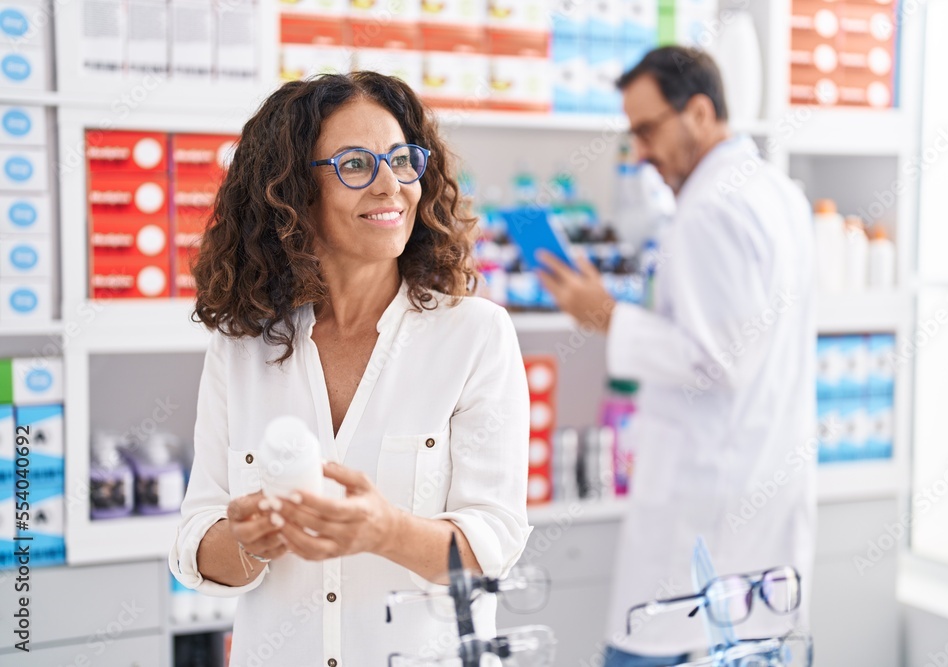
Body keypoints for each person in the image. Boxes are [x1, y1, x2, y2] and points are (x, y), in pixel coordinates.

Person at [169, 72, 532, 666]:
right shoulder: (243, 347)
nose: (391, 186)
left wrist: (385, 531)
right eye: (356, 165)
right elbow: (196, 545)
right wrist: (247, 540)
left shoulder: (474, 336)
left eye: (402, 161)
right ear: (291, 192)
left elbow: (493, 544)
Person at [537, 47, 816, 665]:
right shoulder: (777, 192)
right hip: (763, 485)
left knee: (651, 647)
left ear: (699, 113)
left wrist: (605, 315)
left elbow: (718, 361)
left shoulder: (708, 209)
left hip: (706, 503)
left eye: (647, 130)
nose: (640, 153)